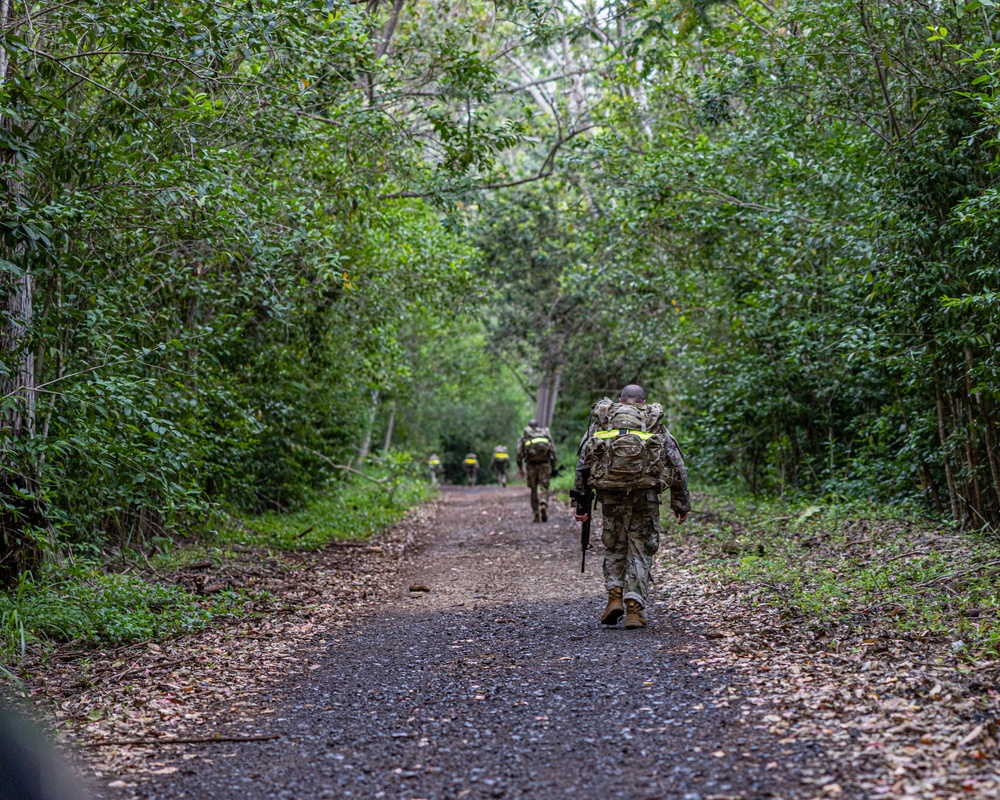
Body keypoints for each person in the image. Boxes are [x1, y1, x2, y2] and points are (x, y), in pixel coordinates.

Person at [573, 384, 690, 629]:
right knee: (641, 547)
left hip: (611, 494)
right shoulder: (653, 422)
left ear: (620, 400)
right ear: (643, 402)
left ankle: (614, 597)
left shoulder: (603, 422)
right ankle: (634, 610)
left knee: (615, 545)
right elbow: (677, 464)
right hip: (645, 495)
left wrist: (581, 503)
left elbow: (583, 461)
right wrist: (680, 503)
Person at [516, 418, 557, 522]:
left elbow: (518, 453)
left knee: (533, 489)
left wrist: (520, 468)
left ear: (529, 427)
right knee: (544, 486)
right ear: (538, 426)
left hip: (531, 466)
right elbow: (552, 451)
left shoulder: (525, 436)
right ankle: (543, 502)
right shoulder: (545, 434)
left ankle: (536, 514)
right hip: (544, 464)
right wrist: (553, 467)